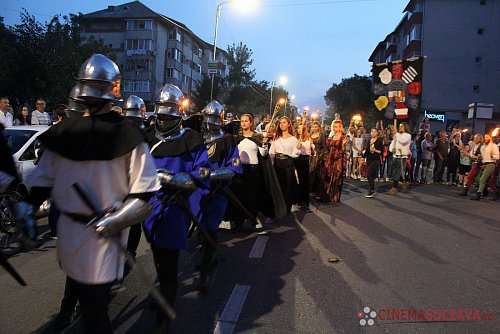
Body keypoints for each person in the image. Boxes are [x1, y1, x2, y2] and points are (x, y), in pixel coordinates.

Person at [14, 54, 160, 334]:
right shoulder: (62, 133)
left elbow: (144, 197)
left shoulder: (127, 135)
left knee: (94, 311)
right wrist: (25, 212)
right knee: (81, 297)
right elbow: (41, 185)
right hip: (70, 231)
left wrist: (114, 221)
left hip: (103, 237)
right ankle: (66, 313)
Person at [142, 83, 210, 331]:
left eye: (170, 114)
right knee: (158, 257)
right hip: (149, 208)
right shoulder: (147, 136)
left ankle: (166, 312)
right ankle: (163, 291)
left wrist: (171, 179)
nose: (164, 118)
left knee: (169, 262)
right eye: (161, 113)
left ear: (178, 114)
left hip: (174, 206)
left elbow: (203, 172)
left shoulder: (191, 139)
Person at [199, 100, 242, 289]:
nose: (209, 122)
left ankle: (207, 268)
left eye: (213, 118)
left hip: (218, 192)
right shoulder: (196, 140)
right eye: (207, 118)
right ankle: (210, 254)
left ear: (220, 119)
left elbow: (233, 169)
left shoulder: (228, 141)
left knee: (209, 227)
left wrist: (211, 176)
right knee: (201, 230)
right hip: (199, 191)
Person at [269, 116, 300, 212]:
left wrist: (298, 149)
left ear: (288, 124)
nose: (282, 125)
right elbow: (271, 153)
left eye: (284, 122)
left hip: (288, 163)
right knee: (278, 185)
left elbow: (295, 155)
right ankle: (278, 206)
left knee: (288, 185)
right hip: (277, 163)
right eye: (280, 123)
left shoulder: (293, 139)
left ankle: (287, 206)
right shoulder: (276, 138)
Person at [317, 120, 346, 204]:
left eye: (336, 126)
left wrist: (344, 145)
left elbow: (343, 150)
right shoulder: (333, 136)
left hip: (338, 159)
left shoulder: (343, 137)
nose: (335, 128)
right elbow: (330, 147)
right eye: (334, 126)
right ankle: (326, 195)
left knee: (335, 177)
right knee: (327, 176)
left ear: (340, 127)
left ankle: (334, 197)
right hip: (330, 158)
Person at [470, 133, 499, 200]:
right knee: (478, 179)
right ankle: (491, 192)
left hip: (491, 164)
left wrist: (492, 156)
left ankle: (478, 195)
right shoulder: (483, 147)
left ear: (490, 138)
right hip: (483, 164)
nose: (485, 138)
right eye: (485, 137)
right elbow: (482, 156)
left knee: (483, 179)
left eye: (487, 137)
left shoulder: (493, 146)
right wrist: (479, 157)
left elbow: (497, 156)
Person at [388, 120, 411, 195]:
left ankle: (394, 188)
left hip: (402, 157)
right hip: (395, 156)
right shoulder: (396, 135)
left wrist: (396, 134)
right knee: (395, 172)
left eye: (401, 126)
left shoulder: (407, 136)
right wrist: (392, 149)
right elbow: (392, 145)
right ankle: (404, 181)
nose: (400, 127)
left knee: (397, 173)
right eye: (399, 126)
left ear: (405, 127)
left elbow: (403, 141)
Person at [295, 123, 314, 209]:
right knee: (297, 180)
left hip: (305, 160)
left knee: (304, 180)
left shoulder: (308, 139)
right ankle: (297, 199)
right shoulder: (295, 138)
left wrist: (311, 147)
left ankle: (304, 201)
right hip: (296, 160)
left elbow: (311, 151)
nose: (299, 130)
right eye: (298, 128)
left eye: (301, 128)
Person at [309, 121, 327, 196]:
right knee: (310, 172)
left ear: (319, 127)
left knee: (316, 172)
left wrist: (321, 156)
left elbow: (324, 147)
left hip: (319, 155)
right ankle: (310, 189)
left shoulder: (321, 135)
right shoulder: (310, 135)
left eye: (316, 127)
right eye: (313, 126)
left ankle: (317, 190)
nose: (314, 128)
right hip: (311, 155)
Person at [365, 127, 383, 197]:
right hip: (369, 159)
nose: (373, 133)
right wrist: (363, 157)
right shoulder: (369, 140)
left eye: (374, 131)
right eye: (372, 131)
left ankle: (371, 190)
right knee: (371, 176)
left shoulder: (379, 141)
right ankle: (371, 189)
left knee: (368, 174)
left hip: (376, 159)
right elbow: (367, 150)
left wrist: (375, 150)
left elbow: (381, 152)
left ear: (377, 133)